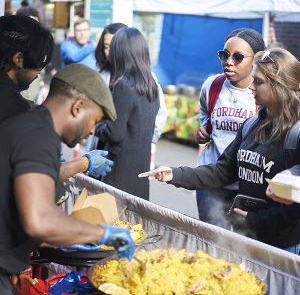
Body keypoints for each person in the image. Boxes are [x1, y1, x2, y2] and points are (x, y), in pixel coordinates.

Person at [140, 48, 300, 254]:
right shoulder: (251, 125)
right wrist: (175, 174)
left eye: (258, 82)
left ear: (281, 86)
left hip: (286, 249)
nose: (251, 86)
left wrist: (255, 220)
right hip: (251, 240)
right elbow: (223, 171)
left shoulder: (296, 133)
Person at [0, 63, 135, 294]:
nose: (93, 130)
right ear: (78, 107)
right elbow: (39, 220)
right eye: (95, 120)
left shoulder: (31, 127)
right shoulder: (38, 136)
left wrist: (72, 235)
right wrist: (104, 234)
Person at [0, 15, 113, 183]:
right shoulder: (19, 114)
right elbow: (38, 184)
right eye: (38, 67)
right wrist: (84, 163)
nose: (38, 74)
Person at [196, 28, 265, 227]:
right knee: (212, 239)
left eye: (238, 57)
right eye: (224, 55)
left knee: (242, 245)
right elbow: (204, 110)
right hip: (210, 177)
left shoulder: (262, 93)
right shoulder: (212, 85)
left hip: (246, 185)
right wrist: (204, 129)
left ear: (255, 60)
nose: (229, 61)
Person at [87, 22, 167, 169]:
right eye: (106, 47)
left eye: (114, 46)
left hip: (117, 158)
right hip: (121, 156)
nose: (110, 52)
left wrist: (94, 127)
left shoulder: (128, 83)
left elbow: (115, 132)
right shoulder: (102, 74)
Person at [94, 27, 160, 200]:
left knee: (109, 224)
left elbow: (114, 134)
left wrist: (96, 125)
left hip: (118, 171)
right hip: (139, 173)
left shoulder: (123, 85)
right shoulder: (151, 85)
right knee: (130, 225)